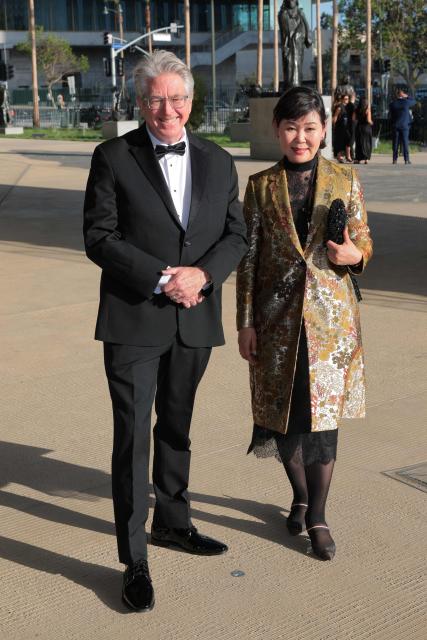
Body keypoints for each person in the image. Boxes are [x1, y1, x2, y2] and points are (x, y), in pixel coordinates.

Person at [83, 50, 247, 612]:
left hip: (195, 315)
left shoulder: (220, 161)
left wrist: (202, 275)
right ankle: (133, 559)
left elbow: (236, 236)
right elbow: (99, 237)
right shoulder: (112, 156)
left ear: (192, 102)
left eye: (177, 98)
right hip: (134, 318)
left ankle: (173, 523)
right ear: (141, 101)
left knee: (177, 426)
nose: (167, 109)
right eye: (156, 98)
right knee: (133, 437)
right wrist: (160, 278)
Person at [236, 86, 373, 561]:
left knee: (322, 424)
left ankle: (317, 514)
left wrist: (354, 256)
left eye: (310, 128)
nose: (301, 137)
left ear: (323, 130)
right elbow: (248, 259)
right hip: (274, 325)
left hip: (331, 325)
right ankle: (297, 494)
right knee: (283, 419)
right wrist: (245, 322)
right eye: (291, 127)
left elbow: (364, 242)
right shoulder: (259, 185)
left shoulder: (344, 179)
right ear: (278, 129)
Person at [278, 0, 312, 87]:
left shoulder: (300, 12)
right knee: (288, 63)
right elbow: (283, 32)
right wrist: (285, 46)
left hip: (298, 43)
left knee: (297, 63)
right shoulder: (283, 14)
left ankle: (296, 84)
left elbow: (306, 25)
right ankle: (289, 85)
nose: (290, 2)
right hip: (288, 44)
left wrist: (307, 36)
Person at [389, 88, 416, 165]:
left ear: (396, 95)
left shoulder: (393, 104)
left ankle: (394, 159)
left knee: (395, 143)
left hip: (395, 125)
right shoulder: (406, 102)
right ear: (402, 94)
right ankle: (406, 159)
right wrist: (407, 96)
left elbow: (391, 114)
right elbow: (414, 101)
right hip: (404, 126)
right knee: (405, 143)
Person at [332, 93, 353, 163]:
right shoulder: (340, 107)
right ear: (342, 99)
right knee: (340, 142)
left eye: (347, 99)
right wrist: (334, 125)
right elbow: (335, 116)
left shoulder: (348, 106)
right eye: (345, 99)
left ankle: (348, 156)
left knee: (348, 141)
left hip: (346, 127)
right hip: (340, 127)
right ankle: (339, 157)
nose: (346, 100)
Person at [354, 97, 373, 164]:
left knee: (359, 143)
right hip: (366, 128)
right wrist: (372, 123)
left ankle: (358, 159)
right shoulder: (367, 110)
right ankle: (366, 158)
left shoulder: (356, 110)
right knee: (367, 143)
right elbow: (368, 120)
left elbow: (353, 118)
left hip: (359, 127)